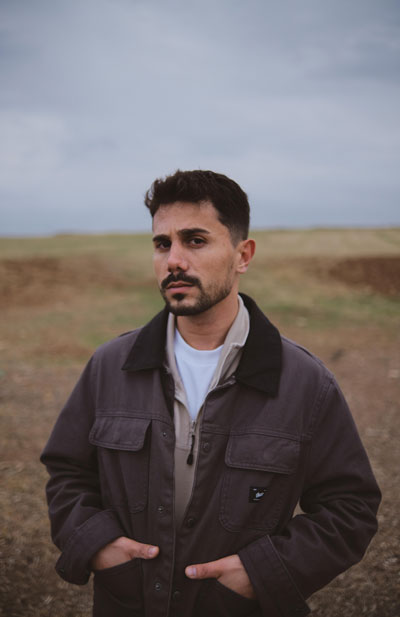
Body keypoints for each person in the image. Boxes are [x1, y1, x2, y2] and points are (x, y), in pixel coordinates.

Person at [41, 170, 381, 617]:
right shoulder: (110, 366)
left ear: (243, 255)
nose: (173, 261)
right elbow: (67, 473)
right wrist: (98, 545)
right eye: (162, 244)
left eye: (195, 241)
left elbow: (350, 508)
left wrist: (261, 573)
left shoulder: (306, 382)